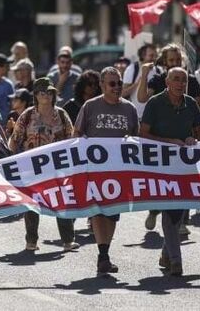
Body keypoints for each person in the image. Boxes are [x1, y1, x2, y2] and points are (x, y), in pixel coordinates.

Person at [73, 67, 139, 275]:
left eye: (119, 83)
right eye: (112, 83)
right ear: (102, 85)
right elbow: (77, 134)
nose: (117, 87)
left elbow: (137, 138)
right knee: (99, 211)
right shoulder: (90, 106)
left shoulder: (129, 109)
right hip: (95, 170)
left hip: (119, 172)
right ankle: (103, 255)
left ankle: (105, 251)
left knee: (112, 214)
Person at [139, 67, 200, 277]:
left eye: (183, 80)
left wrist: (193, 139)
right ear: (167, 81)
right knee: (169, 209)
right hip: (160, 167)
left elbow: (197, 132)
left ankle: (167, 253)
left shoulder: (190, 103)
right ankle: (177, 261)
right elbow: (143, 134)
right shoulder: (155, 103)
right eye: (176, 79)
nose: (180, 84)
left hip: (185, 166)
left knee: (180, 212)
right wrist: (169, 143)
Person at [9, 77, 77, 252]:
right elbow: (15, 139)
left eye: (49, 92)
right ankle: (31, 241)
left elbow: (72, 139)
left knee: (61, 200)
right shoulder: (27, 115)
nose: (46, 95)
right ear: (35, 95)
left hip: (57, 166)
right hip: (31, 167)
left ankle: (68, 240)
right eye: (41, 92)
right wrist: (10, 159)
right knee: (32, 203)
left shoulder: (61, 114)